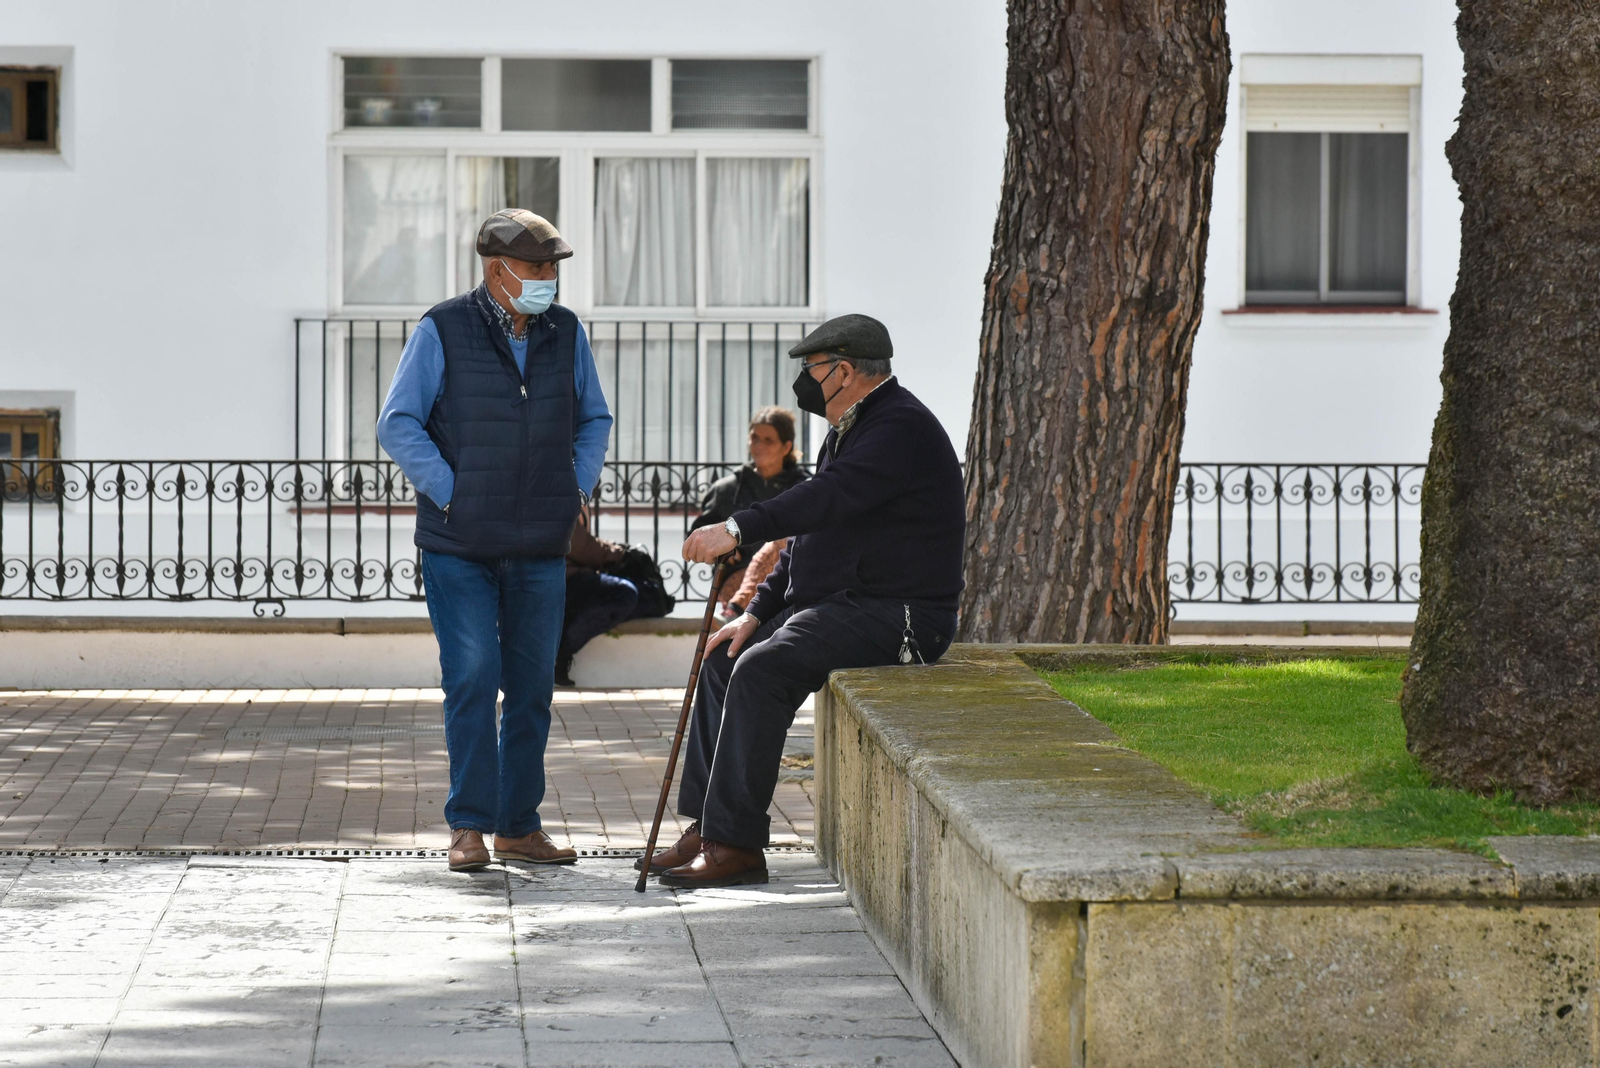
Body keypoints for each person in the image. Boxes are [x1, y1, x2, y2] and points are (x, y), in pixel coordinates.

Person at [640, 314, 965, 888]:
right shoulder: (850, 428)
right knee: (724, 657)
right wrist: (756, 611)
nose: (804, 383)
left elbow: (826, 499)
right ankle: (710, 826)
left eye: (811, 369)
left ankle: (736, 846)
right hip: (842, 603)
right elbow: (809, 538)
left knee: (762, 668)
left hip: (900, 614)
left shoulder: (899, 426)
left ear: (841, 371)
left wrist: (737, 529)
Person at [377, 209, 612, 873]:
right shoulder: (443, 328)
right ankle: (469, 826)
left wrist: (576, 488)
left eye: (553, 269)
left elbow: (594, 417)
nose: (548, 280)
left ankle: (518, 826)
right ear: (495, 269)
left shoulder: (564, 333)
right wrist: (454, 491)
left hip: (540, 541)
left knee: (533, 686)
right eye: (537, 268)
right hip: (459, 546)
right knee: (474, 677)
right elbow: (398, 423)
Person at [690, 407, 807, 618]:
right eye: (754, 438)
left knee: (779, 545)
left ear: (786, 447)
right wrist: (721, 549)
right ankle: (735, 613)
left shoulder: (804, 489)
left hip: (792, 578)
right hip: (736, 579)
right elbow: (699, 536)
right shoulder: (726, 490)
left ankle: (732, 616)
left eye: (768, 440)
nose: (759, 446)